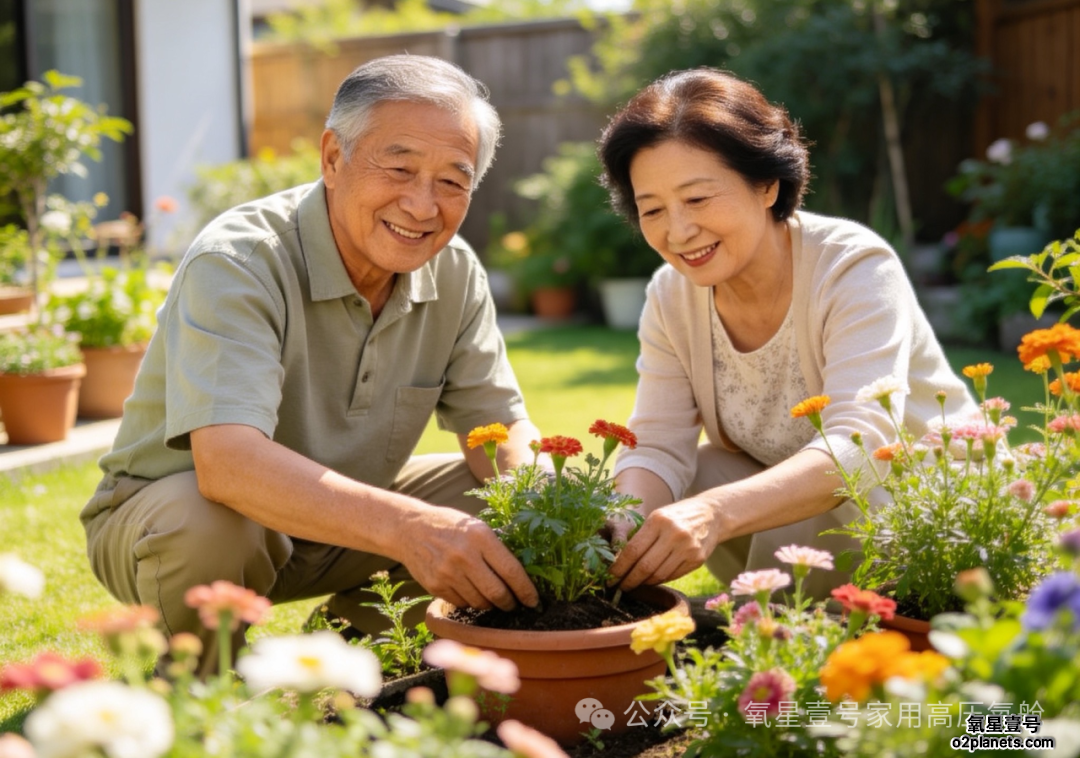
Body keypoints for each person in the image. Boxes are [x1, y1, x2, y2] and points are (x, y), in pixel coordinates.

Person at [80, 55, 541, 674]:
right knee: (210, 520)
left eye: (452, 181)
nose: (422, 205)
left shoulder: (454, 269)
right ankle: (198, 681)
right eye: (399, 168)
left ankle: (357, 646)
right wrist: (410, 527)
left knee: (508, 500)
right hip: (178, 524)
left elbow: (500, 428)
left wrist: (554, 514)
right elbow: (228, 466)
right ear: (332, 157)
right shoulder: (239, 259)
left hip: (342, 522)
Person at [599, 68, 979, 598]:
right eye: (653, 210)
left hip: (924, 507)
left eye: (699, 199)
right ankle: (772, 621)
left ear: (766, 185)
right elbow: (658, 442)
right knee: (686, 476)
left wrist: (714, 512)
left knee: (828, 479)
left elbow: (862, 444)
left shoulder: (853, 265)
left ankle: (795, 638)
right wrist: (626, 520)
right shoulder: (671, 293)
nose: (678, 231)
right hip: (793, 513)